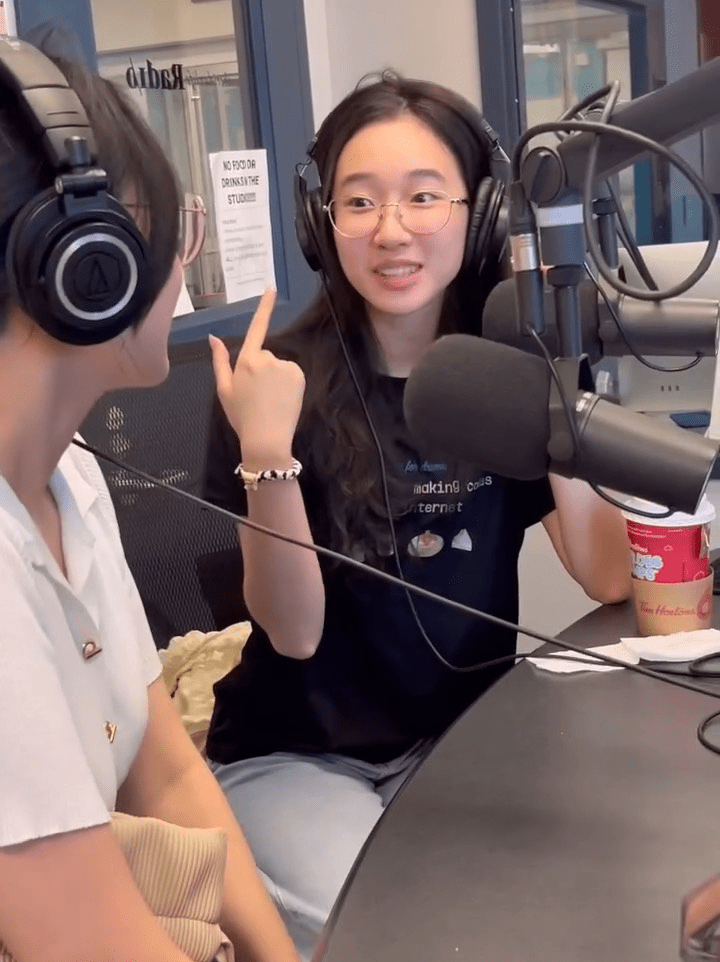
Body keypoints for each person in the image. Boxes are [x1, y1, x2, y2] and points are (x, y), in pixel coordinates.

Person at [203, 72, 632, 959]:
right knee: (406, 934)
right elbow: (292, 633)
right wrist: (267, 450)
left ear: (481, 216)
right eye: (359, 202)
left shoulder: (506, 376)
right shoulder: (273, 383)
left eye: (424, 197)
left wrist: (557, 380)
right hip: (296, 757)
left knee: (579, 902)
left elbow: (609, 574)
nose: (391, 231)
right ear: (321, 223)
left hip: (461, 743)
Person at [0, 38, 299, 962]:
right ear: (90, 264)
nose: (179, 264)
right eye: (171, 232)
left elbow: (164, 775)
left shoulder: (69, 475)